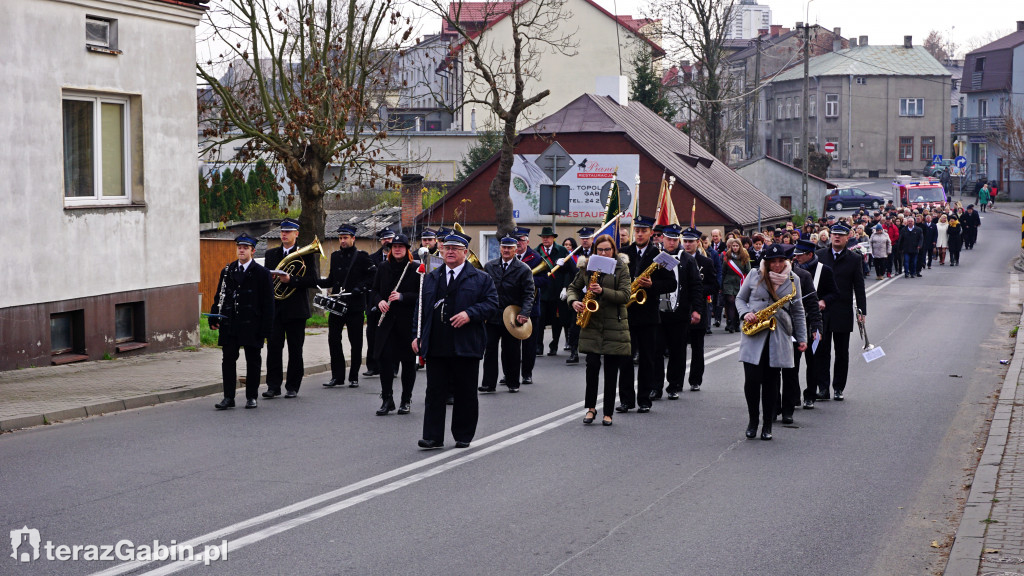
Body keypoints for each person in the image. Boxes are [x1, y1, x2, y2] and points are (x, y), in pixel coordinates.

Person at [413, 232, 498, 449]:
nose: (450, 252)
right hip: (437, 343)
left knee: (465, 392)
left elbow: (492, 304)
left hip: (466, 343)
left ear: (465, 253)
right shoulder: (431, 277)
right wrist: (417, 335)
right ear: (441, 251)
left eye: (455, 249)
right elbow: (420, 309)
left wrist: (470, 314)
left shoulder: (481, 278)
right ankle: (433, 436)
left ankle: (463, 434)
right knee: (434, 392)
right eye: (446, 248)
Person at [736, 244, 807, 440]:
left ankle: (767, 425)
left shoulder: (794, 280)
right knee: (751, 382)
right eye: (772, 261)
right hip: (754, 335)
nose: (776, 265)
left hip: (779, 336)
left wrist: (802, 338)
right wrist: (746, 313)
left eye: (780, 261)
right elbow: (740, 299)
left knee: (771, 384)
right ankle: (753, 421)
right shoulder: (754, 275)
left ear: (786, 261)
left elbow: (798, 310)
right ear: (766, 262)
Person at [567, 234, 631, 427]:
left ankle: (608, 412)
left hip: (614, 324)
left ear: (613, 250)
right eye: (600, 250)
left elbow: (625, 295)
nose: (603, 253)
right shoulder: (587, 267)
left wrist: (603, 291)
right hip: (592, 323)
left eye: (607, 250)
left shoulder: (621, 267)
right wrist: (574, 301)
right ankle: (591, 408)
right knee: (592, 366)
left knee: (611, 370)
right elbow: (572, 287)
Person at [209, 234, 275, 410]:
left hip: (252, 324)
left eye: (245, 248)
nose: (241, 250)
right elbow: (219, 296)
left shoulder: (262, 273)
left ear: (252, 251)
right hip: (230, 323)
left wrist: (266, 329)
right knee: (228, 360)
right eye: (239, 247)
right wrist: (214, 316)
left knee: (253, 360)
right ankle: (228, 397)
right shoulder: (228, 270)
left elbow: (269, 304)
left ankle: (251, 396)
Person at [619, 215, 676, 412]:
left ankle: (644, 399)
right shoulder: (623, 252)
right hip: (626, 313)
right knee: (625, 359)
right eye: (638, 230)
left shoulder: (661, 255)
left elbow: (672, 283)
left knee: (647, 359)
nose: (640, 234)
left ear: (651, 233)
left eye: (644, 230)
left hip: (648, 315)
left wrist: (653, 286)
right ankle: (626, 400)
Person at [262, 218, 318, 399]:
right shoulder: (271, 255)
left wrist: (291, 280)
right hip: (276, 309)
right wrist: (269, 280)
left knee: (295, 349)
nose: (284, 234)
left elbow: (312, 280)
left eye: (288, 231)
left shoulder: (306, 255)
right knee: (274, 349)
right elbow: (265, 281)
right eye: (282, 232)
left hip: (296, 310)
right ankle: (273, 386)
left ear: (296, 234)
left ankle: (293, 386)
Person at [319, 224, 376, 388]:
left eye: (345, 238)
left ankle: (353, 376)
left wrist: (361, 288)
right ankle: (337, 376)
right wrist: (313, 281)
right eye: (340, 238)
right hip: (337, 306)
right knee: (333, 340)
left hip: (355, 306)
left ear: (353, 238)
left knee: (355, 342)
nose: (342, 241)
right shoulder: (335, 256)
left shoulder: (362, 256)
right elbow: (331, 280)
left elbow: (373, 275)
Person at [815, 223, 867, 401]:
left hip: (843, 311)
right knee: (822, 351)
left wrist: (862, 312)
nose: (836, 237)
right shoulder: (819, 255)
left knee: (841, 352)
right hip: (822, 311)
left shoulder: (854, 259)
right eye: (834, 234)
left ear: (848, 237)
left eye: (840, 235)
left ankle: (838, 387)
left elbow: (859, 287)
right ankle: (823, 388)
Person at [370, 234, 421, 415]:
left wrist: (402, 297)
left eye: (401, 246)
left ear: (407, 249)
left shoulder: (415, 268)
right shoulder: (383, 267)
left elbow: (421, 296)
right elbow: (374, 290)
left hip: (407, 324)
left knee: (408, 363)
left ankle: (405, 400)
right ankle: (387, 399)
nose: (397, 249)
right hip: (386, 323)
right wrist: (379, 302)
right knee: (385, 361)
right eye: (394, 246)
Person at [480, 234, 535, 393]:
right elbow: (484, 289)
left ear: (516, 249)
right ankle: (488, 384)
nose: (506, 250)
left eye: (510, 248)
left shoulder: (524, 269)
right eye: (504, 247)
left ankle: (513, 382)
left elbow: (529, 293)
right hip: (492, 315)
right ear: (500, 248)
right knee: (489, 349)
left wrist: (524, 313)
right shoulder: (490, 266)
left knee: (511, 350)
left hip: (513, 316)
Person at [655, 225, 704, 399]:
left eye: (675, 239)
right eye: (669, 239)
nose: (672, 242)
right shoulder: (656, 258)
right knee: (656, 351)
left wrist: (697, 310)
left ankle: (674, 385)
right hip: (658, 313)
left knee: (678, 351)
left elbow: (696, 286)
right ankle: (656, 386)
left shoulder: (687, 260)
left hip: (680, 312)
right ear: (663, 239)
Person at [680, 227, 716, 392]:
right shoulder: (678, 259)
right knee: (678, 347)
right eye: (685, 241)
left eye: (690, 242)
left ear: (697, 243)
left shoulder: (706, 262)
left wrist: (698, 289)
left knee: (697, 347)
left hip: (699, 307)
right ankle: (677, 381)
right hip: (681, 309)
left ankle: (695, 379)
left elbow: (714, 285)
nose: (687, 244)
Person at [535, 226, 572, 356]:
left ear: (553, 238)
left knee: (557, 321)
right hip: (542, 293)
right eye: (543, 237)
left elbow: (569, 271)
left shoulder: (562, 250)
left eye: (548, 237)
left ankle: (554, 345)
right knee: (540, 321)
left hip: (557, 292)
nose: (545, 239)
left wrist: (565, 287)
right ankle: (538, 346)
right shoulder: (537, 252)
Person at [515, 227, 545, 384]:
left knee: (529, 343)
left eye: (521, 240)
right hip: (511, 306)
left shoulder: (535, 257)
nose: (519, 243)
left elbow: (544, 280)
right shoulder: (508, 255)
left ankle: (527, 373)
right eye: (517, 240)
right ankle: (510, 373)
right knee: (510, 345)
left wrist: (527, 281)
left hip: (531, 306)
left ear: (527, 241)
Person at [364, 229, 395, 377]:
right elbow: (370, 282)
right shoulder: (372, 258)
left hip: (393, 303)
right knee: (372, 334)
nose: (387, 241)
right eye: (384, 239)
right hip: (375, 302)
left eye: (390, 238)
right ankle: (372, 366)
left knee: (393, 335)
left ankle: (394, 367)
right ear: (381, 241)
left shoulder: (401, 258)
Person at [565, 226, 596, 364]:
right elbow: (568, 273)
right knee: (575, 323)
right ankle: (573, 351)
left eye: (587, 238)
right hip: (579, 292)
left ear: (592, 238)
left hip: (595, 294)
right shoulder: (575, 253)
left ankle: (595, 351)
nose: (584, 241)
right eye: (582, 238)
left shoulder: (598, 251)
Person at [722, 237, 751, 333]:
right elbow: (723, 271)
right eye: (733, 246)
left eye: (736, 246)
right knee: (730, 301)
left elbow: (748, 272)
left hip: (740, 283)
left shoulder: (745, 257)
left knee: (737, 303)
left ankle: (736, 323)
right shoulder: (727, 257)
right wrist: (721, 285)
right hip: (728, 282)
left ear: (740, 247)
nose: (735, 248)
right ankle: (730, 323)